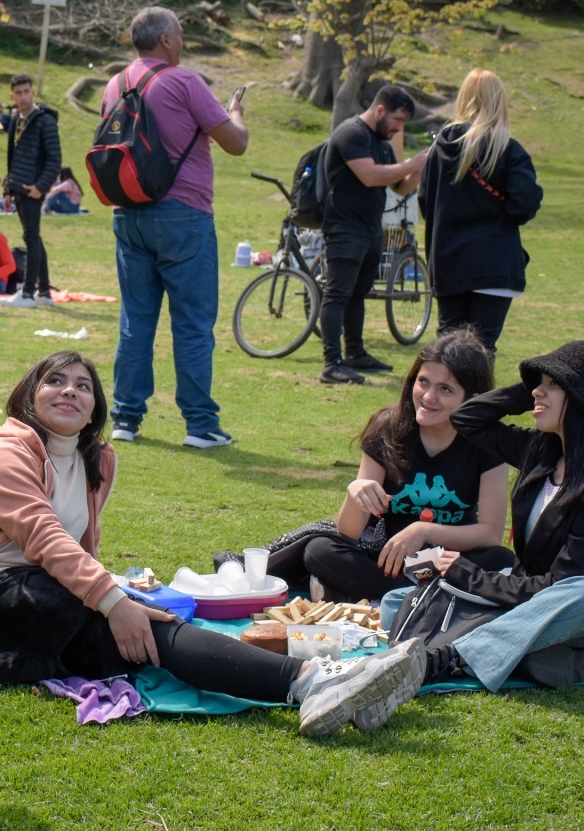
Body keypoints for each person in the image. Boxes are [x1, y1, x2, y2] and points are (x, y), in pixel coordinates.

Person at [0, 350, 429, 737]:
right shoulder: (3, 451)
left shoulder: (94, 462)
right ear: (30, 396)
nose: (70, 391)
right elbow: (46, 540)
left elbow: (78, 554)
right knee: (144, 625)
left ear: (95, 406)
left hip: (46, 598)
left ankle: (317, 689)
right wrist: (113, 601)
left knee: (147, 638)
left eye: (84, 385)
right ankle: (316, 679)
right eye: (55, 381)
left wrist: (116, 601)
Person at [343, 340, 584, 731]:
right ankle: (546, 654)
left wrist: (468, 575)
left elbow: (561, 586)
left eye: (552, 385)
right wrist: (531, 387)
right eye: (540, 383)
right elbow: (468, 419)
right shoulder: (542, 450)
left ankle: (438, 662)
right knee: (399, 601)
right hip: (526, 598)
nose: (538, 391)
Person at [227, 330, 512, 603]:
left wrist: (424, 531)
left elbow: (489, 533)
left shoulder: (488, 442)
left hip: (444, 562)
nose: (428, 397)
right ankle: (416, 595)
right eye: (423, 382)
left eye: (445, 389)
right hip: (384, 560)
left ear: (471, 399)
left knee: (501, 559)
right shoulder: (388, 427)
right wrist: (356, 492)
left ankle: (363, 593)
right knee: (320, 550)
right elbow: (349, 532)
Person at [100, 6, 250, 447]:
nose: (182, 42)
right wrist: (235, 111)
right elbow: (235, 144)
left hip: (129, 213)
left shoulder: (116, 83)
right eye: (179, 34)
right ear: (165, 39)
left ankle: (126, 418)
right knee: (192, 323)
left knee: (136, 321)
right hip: (184, 213)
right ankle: (200, 424)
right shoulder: (184, 81)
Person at [419, 70, 543, 349]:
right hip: (493, 259)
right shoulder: (508, 149)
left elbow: (426, 201)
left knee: (448, 347)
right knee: (482, 348)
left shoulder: (440, 147)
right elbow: (524, 205)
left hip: (448, 257)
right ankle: (476, 394)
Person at [318, 85, 427, 385]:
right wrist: (409, 164)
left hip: (370, 229)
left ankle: (355, 353)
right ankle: (331, 363)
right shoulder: (350, 134)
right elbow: (370, 176)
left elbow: (399, 187)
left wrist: (417, 169)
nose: (398, 128)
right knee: (338, 293)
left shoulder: (382, 143)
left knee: (358, 294)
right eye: (397, 120)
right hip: (344, 227)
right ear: (380, 110)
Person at [0, 74, 61, 308]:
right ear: (12, 95)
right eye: (18, 92)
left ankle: (27, 293)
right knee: (32, 236)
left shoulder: (45, 121)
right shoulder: (16, 118)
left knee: (31, 238)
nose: (23, 96)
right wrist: (7, 188)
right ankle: (44, 292)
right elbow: (11, 157)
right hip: (18, 187)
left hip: (33, 189)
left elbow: (55, 159)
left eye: (26, 91)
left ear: (33, 92)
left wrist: (41, 187)